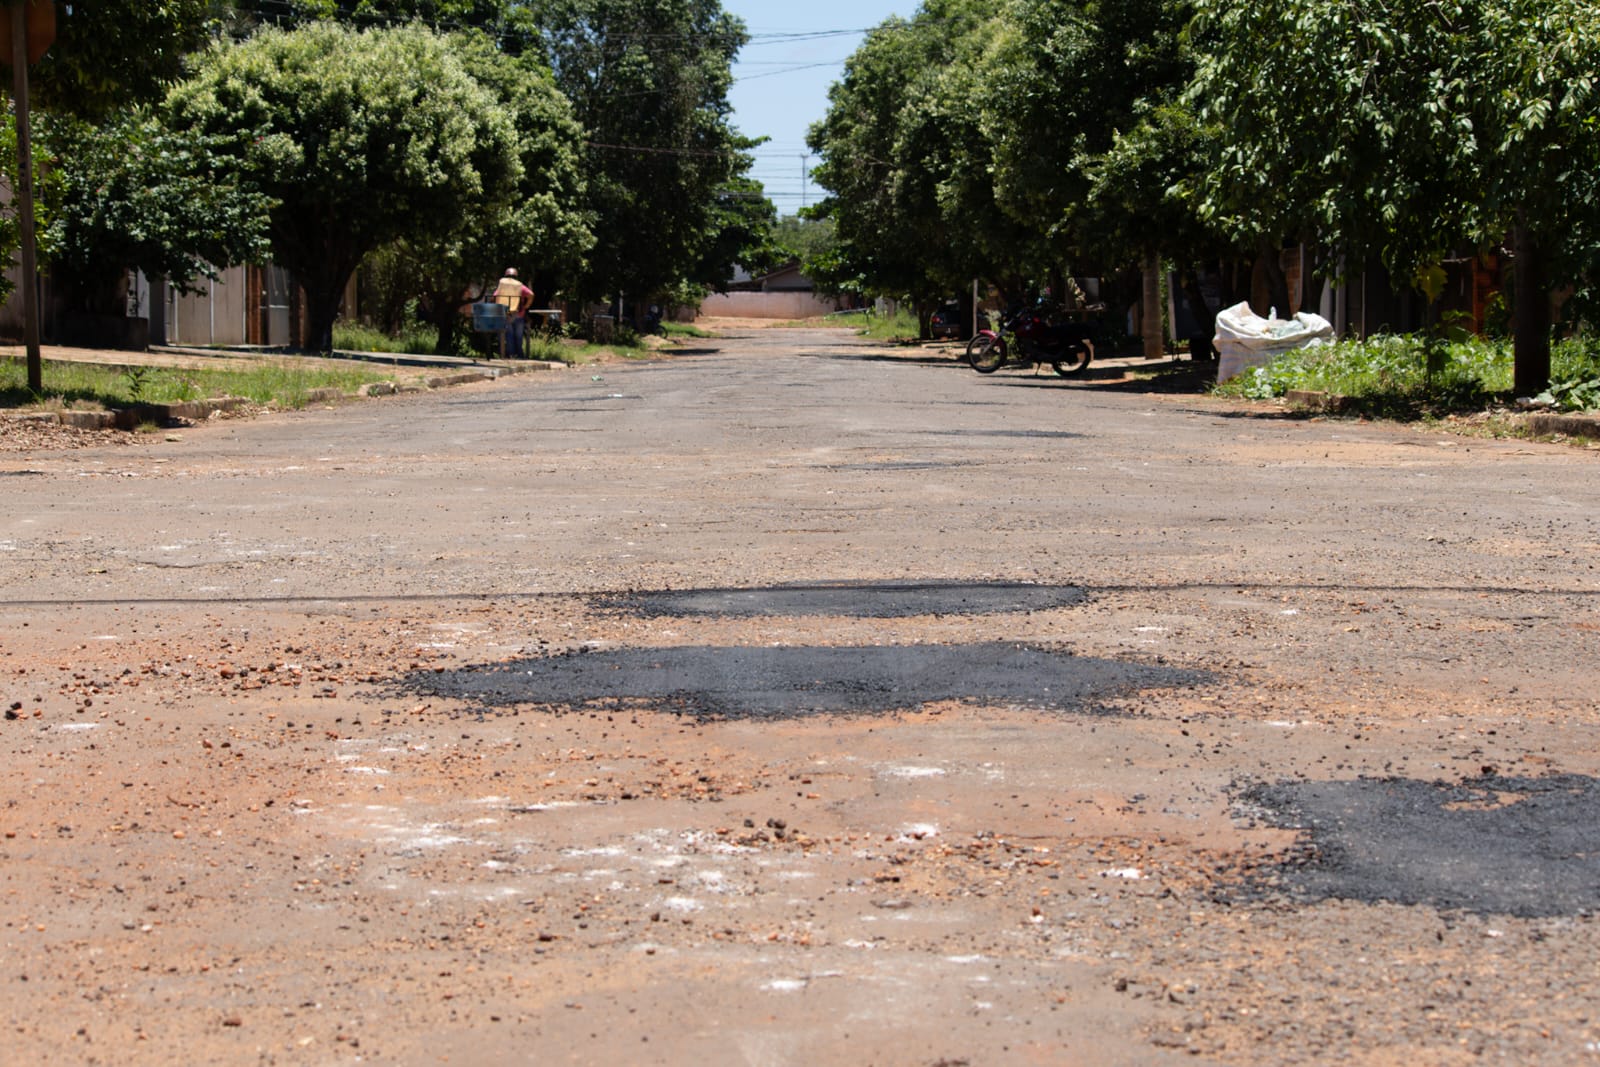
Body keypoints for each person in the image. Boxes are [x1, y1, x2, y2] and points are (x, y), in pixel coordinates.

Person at [492, 267, 534, 357]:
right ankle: (519, 355)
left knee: (509, 335)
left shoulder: (502, 286)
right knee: (518, 336)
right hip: (519, 314)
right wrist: (527, 305)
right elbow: (531, 294)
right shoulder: (519, 286)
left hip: (506, 313)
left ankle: (511, 355)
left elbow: (494, 297)